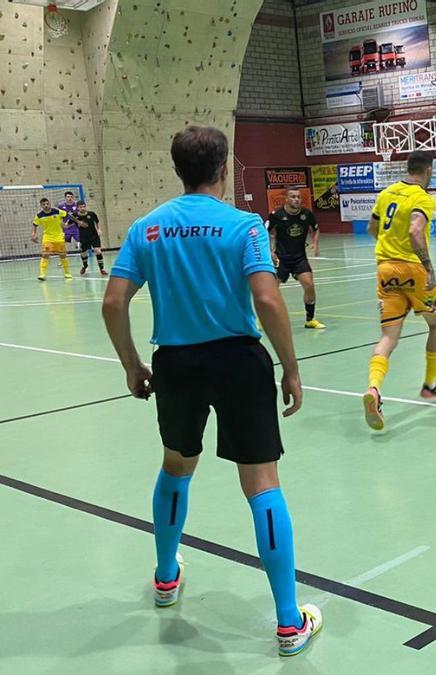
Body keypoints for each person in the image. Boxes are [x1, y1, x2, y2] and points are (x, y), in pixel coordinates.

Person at [101, 125, 323, 657]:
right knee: (262, 483)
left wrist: (133, 365)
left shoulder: (147, 228)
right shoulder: (244, 225)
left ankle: (164, 577)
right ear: (224, 168)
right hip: (238, 362)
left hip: (175, 362)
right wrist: (290, 368)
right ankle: (290, 623)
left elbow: (113, 303)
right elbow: (268, 301)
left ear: (179, 169)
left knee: (176, 465)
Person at [362, 151, 436, 431]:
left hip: (385, 269)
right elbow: (415, 231)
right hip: (412, 269)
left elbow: (372, 228)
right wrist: (428, 268)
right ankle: (429, 385)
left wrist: (391, 247)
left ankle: (374, 389)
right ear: (427, 171)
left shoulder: (386, 193)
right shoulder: (423, 197)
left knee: (389, 337)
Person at [268, 188, 325, 329]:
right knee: (270, 289)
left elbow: (316, 229)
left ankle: (310, 319)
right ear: (286, 199)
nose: (297, 199)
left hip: (299, 258)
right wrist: (269, 251)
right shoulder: (276, 215)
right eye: (293, 197)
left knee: (309, 285)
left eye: (299, 197)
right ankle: (262, 319)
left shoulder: (307, 214)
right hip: (281, 258)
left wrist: (315, 243)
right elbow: (264, 232)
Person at [31, 198, 71, 281]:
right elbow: (35, 224)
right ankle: (42, 274)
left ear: (49, 204)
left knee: (63, 255)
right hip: (47, 238)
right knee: (45, 255)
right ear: (41, 206)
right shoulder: (39, 216)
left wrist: (67, 224)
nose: (46, 205)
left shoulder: (57, 211)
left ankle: (67, 273)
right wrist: (34, 234)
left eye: (47, 203)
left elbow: (68, 215)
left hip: (59, 237)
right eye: (44, 204)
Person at [75, 200, 106, 276]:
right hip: (83, 237)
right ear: (77, 208)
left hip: (94, 236)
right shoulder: (75, 216)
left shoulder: (92, 214)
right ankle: (85, 266)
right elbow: (67, 225)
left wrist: (98, 229)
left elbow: (97, 222)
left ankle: (102, 269)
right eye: (80, 207)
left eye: (84, 206)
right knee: (84, 254)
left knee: (97, 251)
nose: (82, 208)